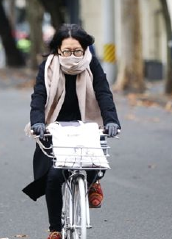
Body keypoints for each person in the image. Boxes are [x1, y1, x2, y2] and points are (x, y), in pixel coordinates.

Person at [23, 24, 120, 239]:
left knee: (93, 162)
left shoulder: (91, 64)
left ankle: (93, 181)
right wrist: (38, 122)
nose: (72, 56)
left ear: (85, 49)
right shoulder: (48, 66)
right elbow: (39, 97)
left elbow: (103, 93)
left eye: (77, 51)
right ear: (58, 49)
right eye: (66, 51)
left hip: (87, 123)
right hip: (55, 127)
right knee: (54, 175)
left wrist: (112, 121)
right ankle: (55, 230)